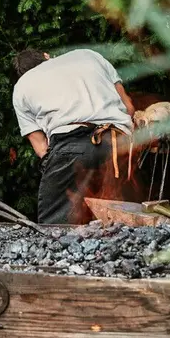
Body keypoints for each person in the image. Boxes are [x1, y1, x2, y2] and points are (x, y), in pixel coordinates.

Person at [12, 48, 136, 224]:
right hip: (120, 145)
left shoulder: (22, 86)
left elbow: (41, 148)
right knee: (125, 227)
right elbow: (128, 107)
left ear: (23, 73)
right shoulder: (89, 55)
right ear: (47, 56)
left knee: (55, 228)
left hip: (71, 148)